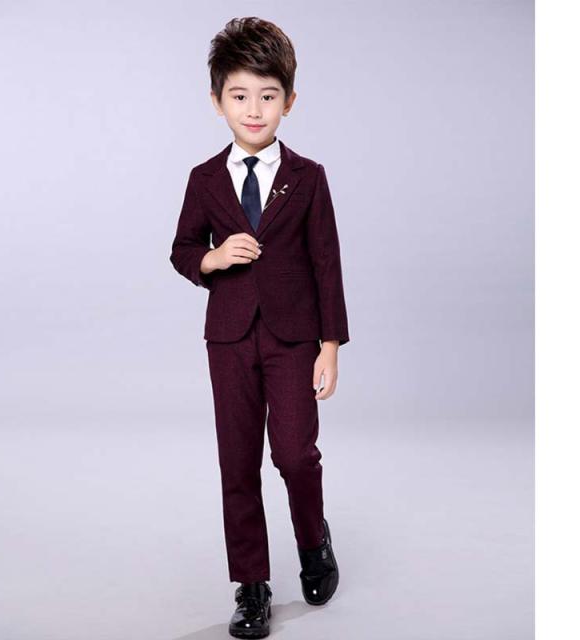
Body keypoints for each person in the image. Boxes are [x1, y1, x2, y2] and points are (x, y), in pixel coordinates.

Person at [169, 16, 350, 638]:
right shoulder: (204, 179)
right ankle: (251, 586)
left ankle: (313, 539)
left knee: (296, 454)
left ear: (289, 101)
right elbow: (182, 249)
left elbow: (327, 264)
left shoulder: (308, 176)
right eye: (240, 95)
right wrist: (213, 258)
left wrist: (330, 346)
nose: (254, 110)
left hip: (294, 337)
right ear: (217, 100)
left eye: (268, 96)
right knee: (238, 462)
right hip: (228, 338)